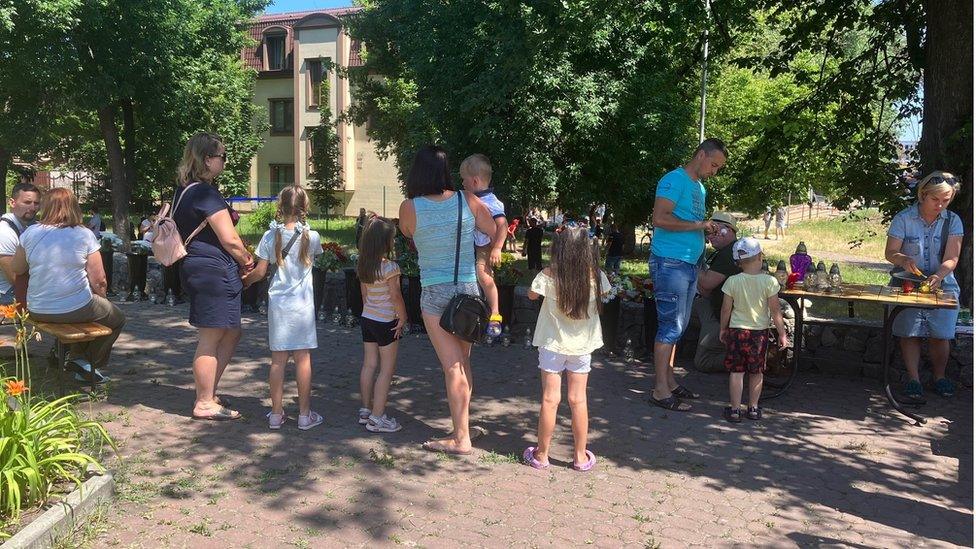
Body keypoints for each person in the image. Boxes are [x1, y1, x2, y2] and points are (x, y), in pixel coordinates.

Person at [397, 145, 499, 455]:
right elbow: (492, 229)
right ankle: (463, 427)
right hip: (467, 290)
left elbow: (408, 233)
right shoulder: (466, 200)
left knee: (451, 367)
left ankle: (461, 438)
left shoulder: (409, 207)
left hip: (434, 292)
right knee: (463, 362)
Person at [173, 132, 253, 421]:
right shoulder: (205, 193)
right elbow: (229, 239)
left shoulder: (184, 189)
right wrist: (247, 261)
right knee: (211, 336)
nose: (225, 162)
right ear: (208, 159)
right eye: (222, 157)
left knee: (230, 331)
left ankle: (209, 391)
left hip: (200, 268)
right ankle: (204, 402)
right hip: (212, 271)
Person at [11, 188, 126, 384]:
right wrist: (103, 300)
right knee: (116, 318)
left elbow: (18, 268)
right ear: (74, 207)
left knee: (79, 312)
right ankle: (84, 361)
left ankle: (71, 357)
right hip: (75, 307)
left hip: (36, 309)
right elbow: (99, 280)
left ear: (45, 207)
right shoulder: (84, 234)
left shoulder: (30, 233)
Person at [648, 138, 726, 411]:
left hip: (689, 263)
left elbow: (688, 224)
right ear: (701, 155)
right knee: (670, 325)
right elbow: (660, 218)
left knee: (678, 326)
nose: (715, 171)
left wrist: (703, 229)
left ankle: (669, 382)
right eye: (714, 164)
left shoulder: (699, 188)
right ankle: (659, 390)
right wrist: (699, 224)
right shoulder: (673, 180)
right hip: (670, 262)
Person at [523, 226, 609, 471]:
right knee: (578, 400)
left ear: (557, 249)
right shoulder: (596, 276)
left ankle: (541, 455)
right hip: (582, 346)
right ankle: (580, 457)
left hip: (552, 344)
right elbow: (606, 291)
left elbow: (530, 295)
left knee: (550, 399)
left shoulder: (548, 275)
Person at [243, 185, 324, 430]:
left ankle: (276, 414)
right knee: (303, 359)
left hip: (278, 305)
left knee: (277, 360)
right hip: (302, 305)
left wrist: (244, 282)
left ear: (280, 207)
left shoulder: (270, 236)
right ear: (304, 208)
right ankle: (304, 415)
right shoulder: (313, 236)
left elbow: (259, 272)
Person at [884, 171, 964, 399]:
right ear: (923, 195)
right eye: (935, 199)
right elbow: (890, 252)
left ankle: (940, 377)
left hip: (943, 283)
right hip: (907, 282)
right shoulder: (903, 218)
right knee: (909, 332)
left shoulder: (953, 221)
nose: (940, 205)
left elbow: (952, 258)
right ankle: (913, 379)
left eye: (946, 200)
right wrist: (903, 259)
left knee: (941, 333)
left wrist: (939, 275)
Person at [719, 237, 789, 422]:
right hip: (759, 334)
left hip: (736, 331)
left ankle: (735, 410)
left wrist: (722, 328)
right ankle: (753, 408)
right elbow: (775, 311)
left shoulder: (732, 281)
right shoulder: (769, 282)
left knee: (736, 371)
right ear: (760, 257)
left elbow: (726, 309)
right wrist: (782, 333)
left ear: (739, 262)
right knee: (757, 372)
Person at [355, 216, 407, 433]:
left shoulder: (363, 265)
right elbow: (395, 295)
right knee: (387, 370)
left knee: (369, 365)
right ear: (385, 242)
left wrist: (371, 310)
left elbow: (364, 294)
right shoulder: (390, 268)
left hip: (368, 319)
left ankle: (366, 410)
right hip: (387, 321)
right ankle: (377, 418)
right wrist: (403, 317)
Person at [459, 154, 507, 337]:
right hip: (472, 247)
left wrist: (497, 248)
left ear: (475, 180)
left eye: (464, 180)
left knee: (484, 276)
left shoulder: (490, 202)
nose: (462, 183)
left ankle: (495, 314)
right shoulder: (471, 199)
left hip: (485, 247)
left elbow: (502, 224)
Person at [692, 212, 740, 373]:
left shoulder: (729, 254)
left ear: (729, 231)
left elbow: (706, 283)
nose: (709, 237)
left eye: (715, 231)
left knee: (703, 363)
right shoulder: (729, 250)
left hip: (724, 316)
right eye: (708, 232)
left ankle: (742, 357)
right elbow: (705, 290)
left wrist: (689, 260)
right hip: (717, 307)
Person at [0, 182, 40, 305]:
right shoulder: (5, 232)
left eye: (36, 203)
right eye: (27, 203)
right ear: (12, 203)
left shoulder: (31, 227)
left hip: (26, 287)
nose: (33, 208)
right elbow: (14, 278)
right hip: (8, 295)